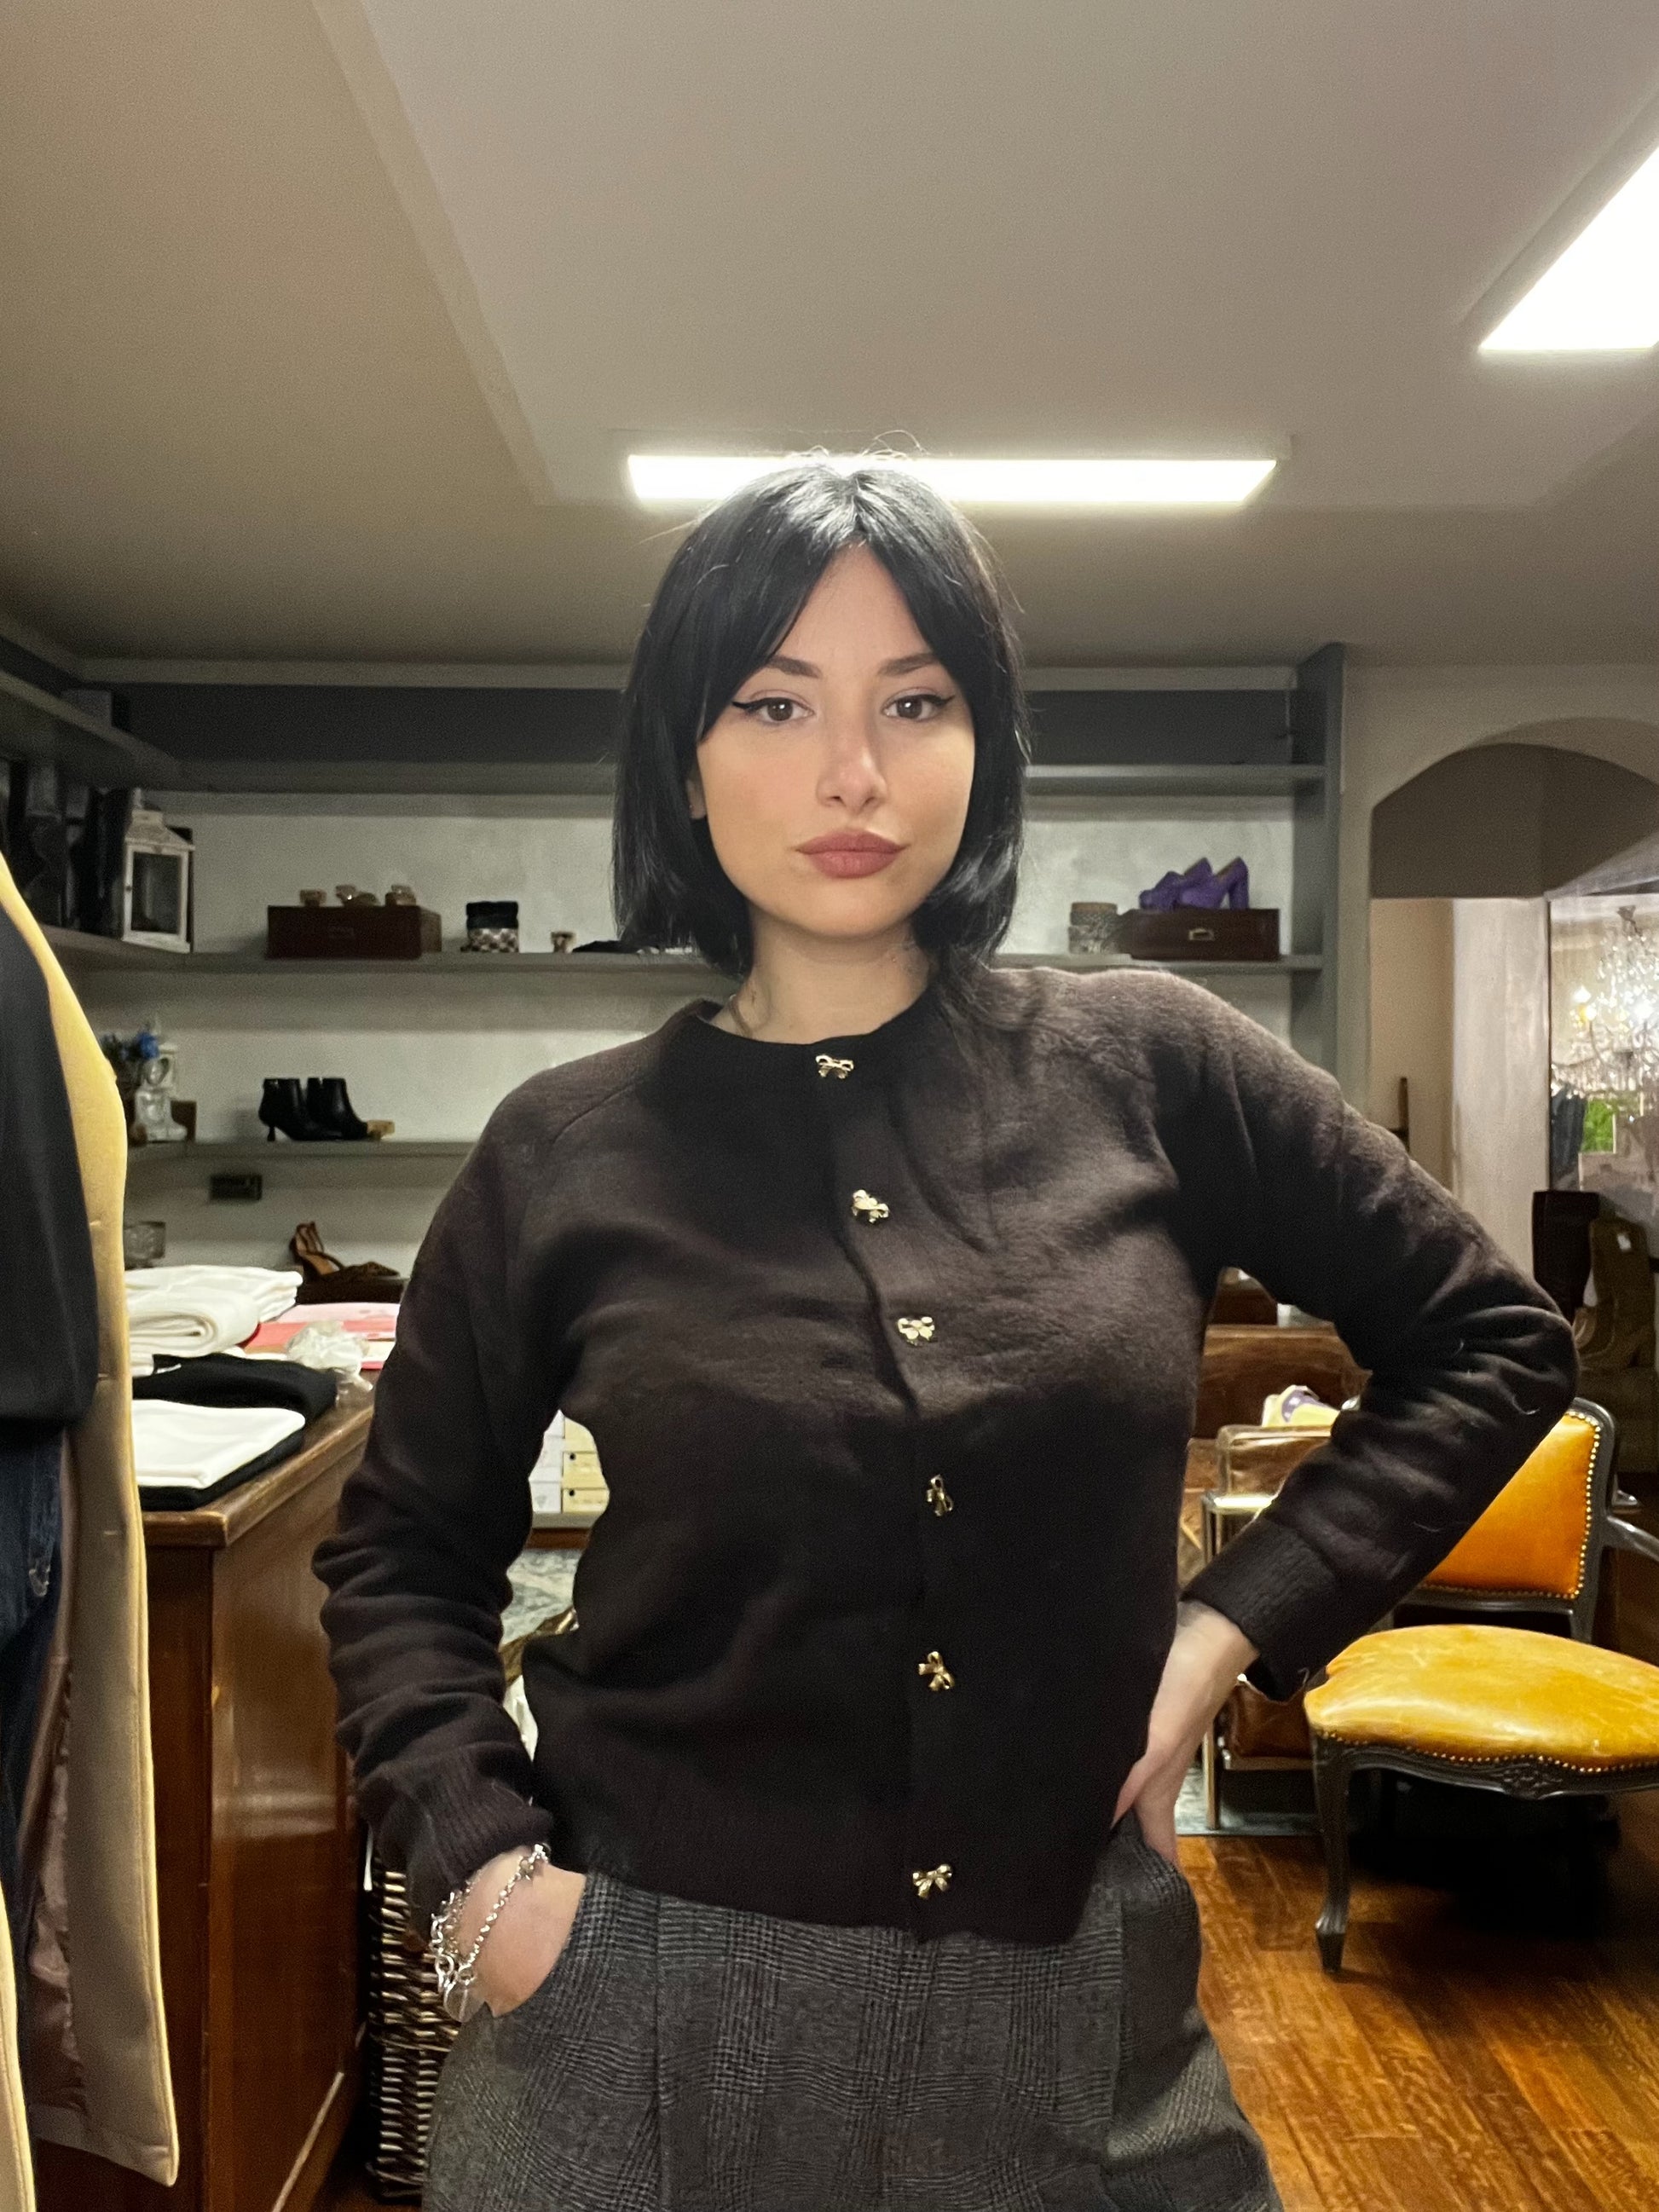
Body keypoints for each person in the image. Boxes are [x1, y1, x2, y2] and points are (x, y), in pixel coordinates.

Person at [314, 460, 1577, 2211]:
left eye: (915, 701)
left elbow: (1493, 1340)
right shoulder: (561, 1148)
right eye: (776, 703)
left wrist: (1218, 1635)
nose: (854, 771)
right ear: (683, 756)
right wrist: (484, 1883)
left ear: (985, 743)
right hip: (636, 2011)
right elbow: (402, 1553)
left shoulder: (1153, 1065)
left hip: (1068, 1991)